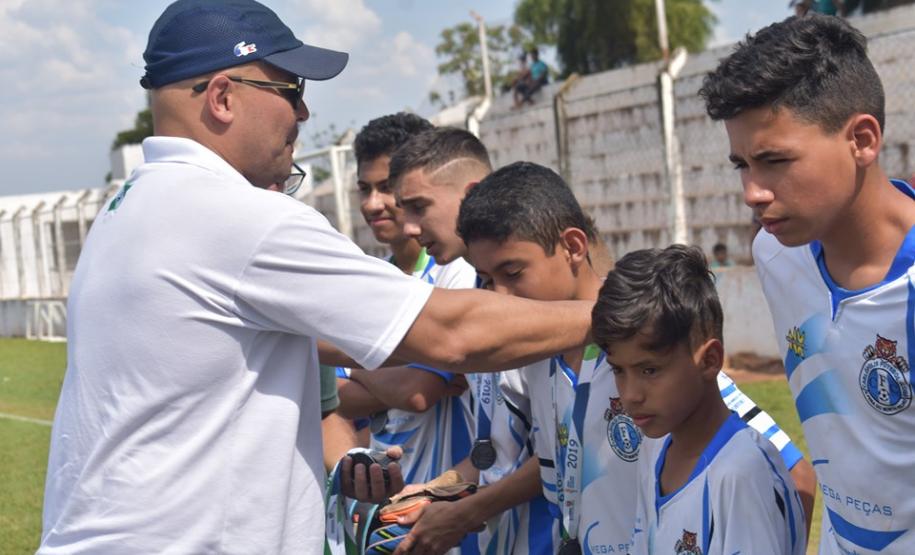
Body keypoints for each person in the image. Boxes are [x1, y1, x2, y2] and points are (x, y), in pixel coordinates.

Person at [38, 1, 595, 552]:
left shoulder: (128, 210)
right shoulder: (237, 217)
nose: (302, 114)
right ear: (224, 98)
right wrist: (616, 311)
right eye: (291, 91)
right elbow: (450, 335)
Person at [396, 162, 813, 555]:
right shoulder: (538, 360)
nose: (500, 297)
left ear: (573, 247)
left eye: (513, 273)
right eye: (487, 281)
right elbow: (559, 462)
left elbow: (793, 473)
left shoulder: (642, 339)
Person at [700, 13, 915, 554]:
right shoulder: (776, 254)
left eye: (774, 161)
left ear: (861, 140)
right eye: (741, 165)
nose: (753, 191)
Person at [383, 129, 555, 555]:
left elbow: (560, 451)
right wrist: (438, 490)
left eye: (419, 207)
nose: (408, 227)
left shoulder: (533, 302)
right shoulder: (484, 291)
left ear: (471, 194)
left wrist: (464, 511)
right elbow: (500, 450)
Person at [328, 113, 479, 554]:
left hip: (448, 512)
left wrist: (358, 363)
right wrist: (388, 369)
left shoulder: (456, 270)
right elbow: (329, 396)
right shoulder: (371, 280)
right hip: (386, 512)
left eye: (386, 188)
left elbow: (417, 392)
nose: (373, 204)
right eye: (363, 189)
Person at [595, 245, 806, 555]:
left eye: (649, 370)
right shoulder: (655, 449)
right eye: (618, 371)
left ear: (709, 361)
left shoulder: (741, 473)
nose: (630, 395)